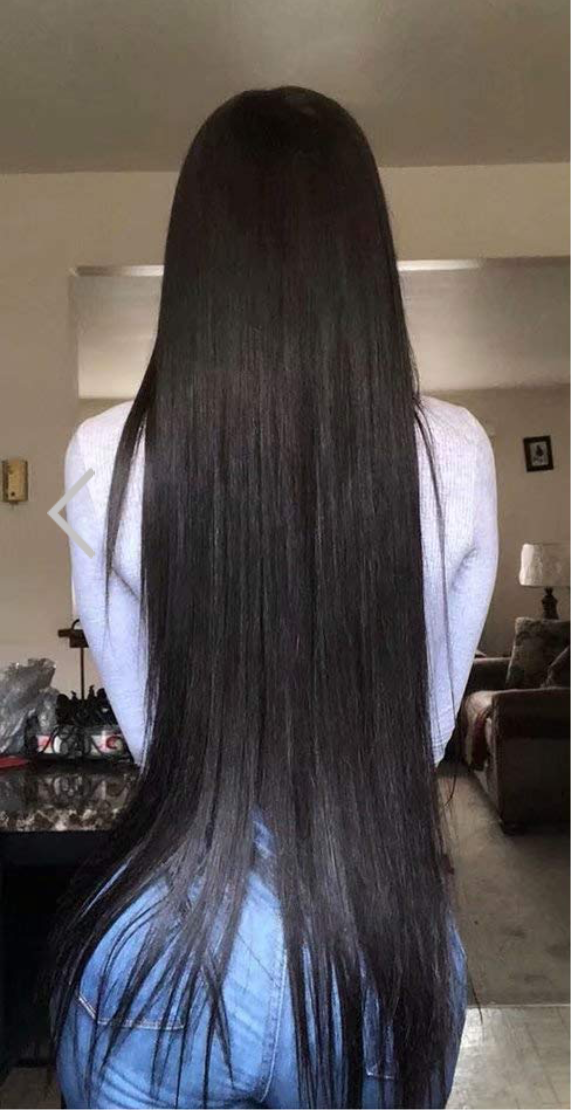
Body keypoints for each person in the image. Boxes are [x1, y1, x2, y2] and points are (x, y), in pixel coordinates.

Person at [50, 87, 498, 1109]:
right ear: (361, 250)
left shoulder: (100, 457)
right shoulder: (458, 456)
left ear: (196, 254)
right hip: (373, 935)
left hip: (174, 928)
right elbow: (422, 723)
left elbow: (146, 725)